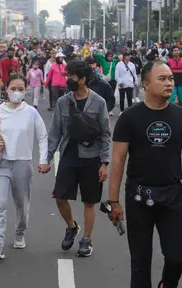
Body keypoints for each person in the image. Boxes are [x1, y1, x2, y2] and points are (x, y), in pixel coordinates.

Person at [108, 61, 182, 288]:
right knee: (140, 262)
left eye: (170, 78)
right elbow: (118, 160)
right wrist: (113, 201)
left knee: (176, 259)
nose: (169, 83)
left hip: (172, 196)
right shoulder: (129, 117)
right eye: (162, 79)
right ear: (146, 84)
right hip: (138, 196)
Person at [47, 60, 111, 257]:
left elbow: (105, 134)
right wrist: (46, 158)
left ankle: (86, 240)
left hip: (91, 158)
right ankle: (72, 226)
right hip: (68, 156)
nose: (68, 80)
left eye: (72, 77)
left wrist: (104, 163)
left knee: (90, 201)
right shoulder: (62, 102)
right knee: (59, 196)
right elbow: (55, 132)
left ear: (83, 80)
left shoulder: (98, 102)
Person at [0, 73, 50, 260]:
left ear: (26, 90)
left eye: (20, 89)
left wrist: (43, 160)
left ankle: (20, 232)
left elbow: (43, 136)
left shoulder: (31, 113)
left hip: (22, 163)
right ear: (6, 90)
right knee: (0, 205)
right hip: (0, 165)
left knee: (21, 204)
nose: (16, 92)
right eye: (13, 88)